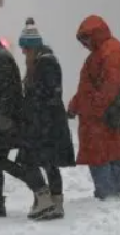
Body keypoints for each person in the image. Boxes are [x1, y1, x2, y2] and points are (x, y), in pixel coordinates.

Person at [0, 16, 56, 219]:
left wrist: (4, 117)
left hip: (3, 121)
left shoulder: (1, 58)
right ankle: (0, 203)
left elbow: (8, 90)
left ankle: (40, 190)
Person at [67, 15, 120, 200]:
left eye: (85, 39)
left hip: (102, 118)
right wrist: (75, 106)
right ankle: (115, 194)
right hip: (103, 116)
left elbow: (110, 86)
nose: (84, 45)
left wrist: (94, 110)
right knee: (111, 153)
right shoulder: (102, 52)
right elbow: (87, 88)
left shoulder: (110, 52)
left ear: (94, 35)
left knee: (102, 156)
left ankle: (108, 195)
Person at [16, 17, 76, 219]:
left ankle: (44, 198)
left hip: (44, 124)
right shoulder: (45, 62)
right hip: (49, 123)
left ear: (32, 47)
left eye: (25, 48)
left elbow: (45, 95)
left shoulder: (45, 64)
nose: (23, 52)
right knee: (50, 163)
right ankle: (56, 202)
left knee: (28, 161)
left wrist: (30, 109)